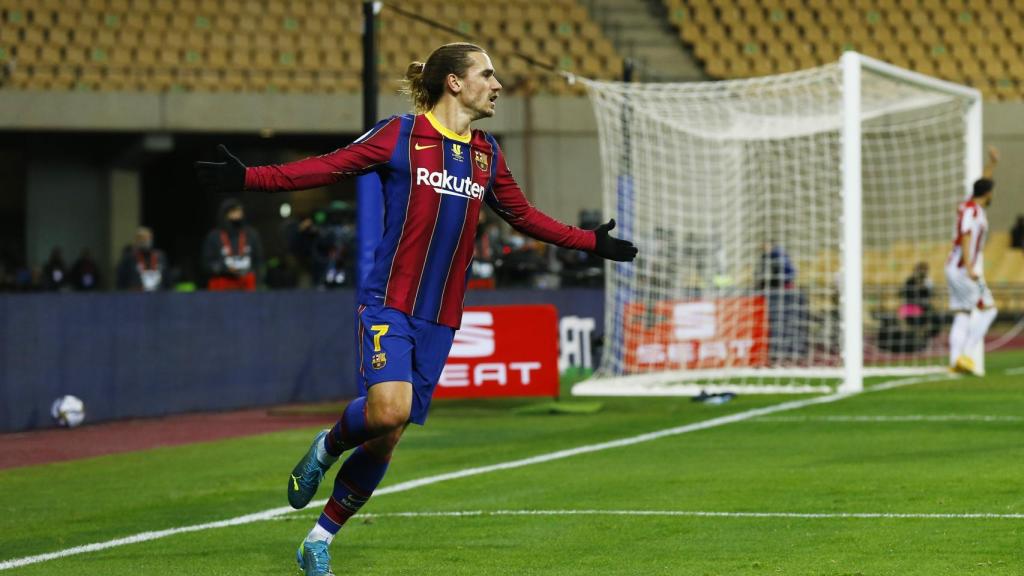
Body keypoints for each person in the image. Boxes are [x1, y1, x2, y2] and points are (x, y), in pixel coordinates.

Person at [195, 42, 637, 576]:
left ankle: (318, 539)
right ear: (454, 82)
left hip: (442, 316)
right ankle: (325, 446)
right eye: (487, 74)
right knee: (387, 410)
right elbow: (326, 168)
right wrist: (250, 179)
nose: (497, 85)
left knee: (389, 434)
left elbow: (526, 217)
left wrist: (590, 243)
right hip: (390, 302)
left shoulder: (487, 154)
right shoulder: (400, 135)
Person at [946, 145, 999, 375]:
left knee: (963, 313)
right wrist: (969, 267)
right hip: (963, 269)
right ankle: (966, 354)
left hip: (954, 268)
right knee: (988, 309)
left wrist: (992, 165)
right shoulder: (972, 212)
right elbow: (966, 236)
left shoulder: (970, 205)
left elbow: (982, 184)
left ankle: (955, 360)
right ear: (987, 194)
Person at [201, 198, 263, 291]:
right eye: (233, 211)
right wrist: (224, 268)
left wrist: (258, 281)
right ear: (225, 214)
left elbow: (259, 261)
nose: (237, 214)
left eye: (239, 210)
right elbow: (206, 263)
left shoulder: (251, 234)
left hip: (246, 285)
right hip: (221, 286)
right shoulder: (214, 236)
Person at [117, 227, 169, 292]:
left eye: (147, 238)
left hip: (158, 295)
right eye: (141, 238)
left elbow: (167, 280)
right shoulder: (129, 258)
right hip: (136, 296)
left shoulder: (160, 257)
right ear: (136, 240)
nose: (145, 240)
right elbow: (121, 281)